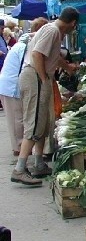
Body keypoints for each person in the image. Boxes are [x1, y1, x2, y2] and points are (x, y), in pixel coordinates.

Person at [11, 7, 79, 186]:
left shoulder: (51, 30)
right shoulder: (52, 31)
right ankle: (19, 169)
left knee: (41, 121)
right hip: (35, 77)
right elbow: (37, 55)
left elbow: (52, 57)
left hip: (37, 77)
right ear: (73, 23)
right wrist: (43, 78)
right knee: (34, 123)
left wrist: (67, 67)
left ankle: (39, 164)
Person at [0, 17, 48, 156]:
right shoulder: (26, 46)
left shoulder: (25, 42)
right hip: (10, 85)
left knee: (17, 117)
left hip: (10, 83)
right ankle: (19, 148)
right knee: (17, 118)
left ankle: (21, 147)